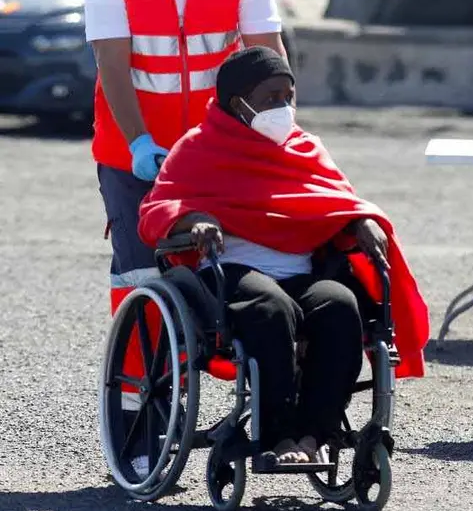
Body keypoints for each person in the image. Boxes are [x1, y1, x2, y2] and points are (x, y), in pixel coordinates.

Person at [86, 0, 288, 477]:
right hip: (134, 152)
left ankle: (256, 393)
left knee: (237, 267)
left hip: (217, 149)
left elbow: (267, 51)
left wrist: (280, 127)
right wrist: (142, 143)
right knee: (141, 278)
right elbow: (114, 64)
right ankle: (138, 426)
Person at [138, 46, 429, 469]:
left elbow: (338, 201)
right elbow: (156, 209)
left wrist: (361, 222)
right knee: (269, 308)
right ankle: (277, 434)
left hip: (300, 269)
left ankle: (314, 433)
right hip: (231, 269)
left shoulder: (305, 147)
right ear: (238, 102)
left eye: (288, 97)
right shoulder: (198, 147)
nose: (283, 107)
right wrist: (195, 220)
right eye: (271, 97)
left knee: (340, 305)